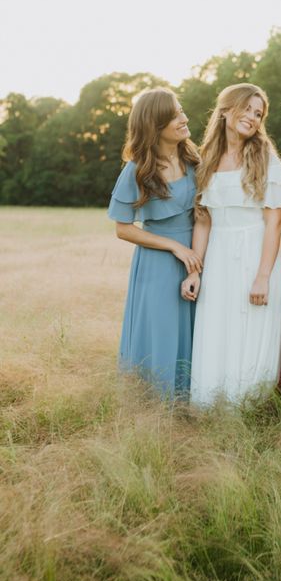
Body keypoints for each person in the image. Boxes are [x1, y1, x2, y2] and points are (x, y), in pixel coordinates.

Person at [181, 83, 281, 404]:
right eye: (247, 109)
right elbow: (203, 221)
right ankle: (212, 403)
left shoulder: (265, 157)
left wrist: (262, 275)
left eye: (258, 114)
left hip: (256, 252)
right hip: (217, 255)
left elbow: (274, 223)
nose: (253, 117)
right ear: (227, 109)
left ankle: (249, 406)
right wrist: (195, 271)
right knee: (218, 327)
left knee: (252, 328)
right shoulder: (206, 158)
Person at [107, 87, 201, 398]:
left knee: (195, 328)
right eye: (175, 115)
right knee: (160, 329)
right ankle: (155, 405)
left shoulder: (194, 160)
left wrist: (193, 252)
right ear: (155, 124)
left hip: (197, 255)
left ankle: (191, 400)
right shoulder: (137, 169)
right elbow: (123, 228)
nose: (184, 118)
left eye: (181, 110)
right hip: (157, 263)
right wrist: (174, 246)